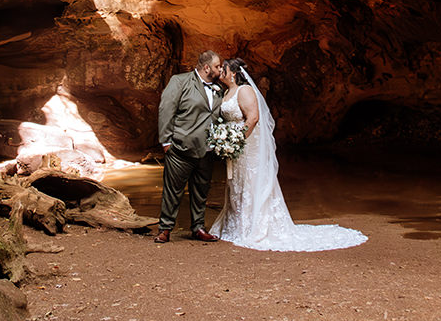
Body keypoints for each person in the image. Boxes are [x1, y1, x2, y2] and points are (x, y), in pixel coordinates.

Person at [209, 57, 368, 251]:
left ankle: (255, 227)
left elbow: (253, 118)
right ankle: (237, 223)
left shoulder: (245, 91)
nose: (221, 72)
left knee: (251, 181)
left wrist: (236, 140)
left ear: (233, 73)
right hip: (235, 147)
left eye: (223, 69)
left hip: (246, 145)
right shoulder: (227, 92)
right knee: (237, 183)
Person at [155, 50, 224, 243]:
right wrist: (166, 141)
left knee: (201, 191)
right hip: (180, 147)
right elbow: (166, 108)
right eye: (218, 66)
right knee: (173, 190)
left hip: (207, 149)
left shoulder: (219, 89)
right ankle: (165, 229)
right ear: (206, 67)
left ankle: (198, 228)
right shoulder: (180, 81)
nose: (220, 69)